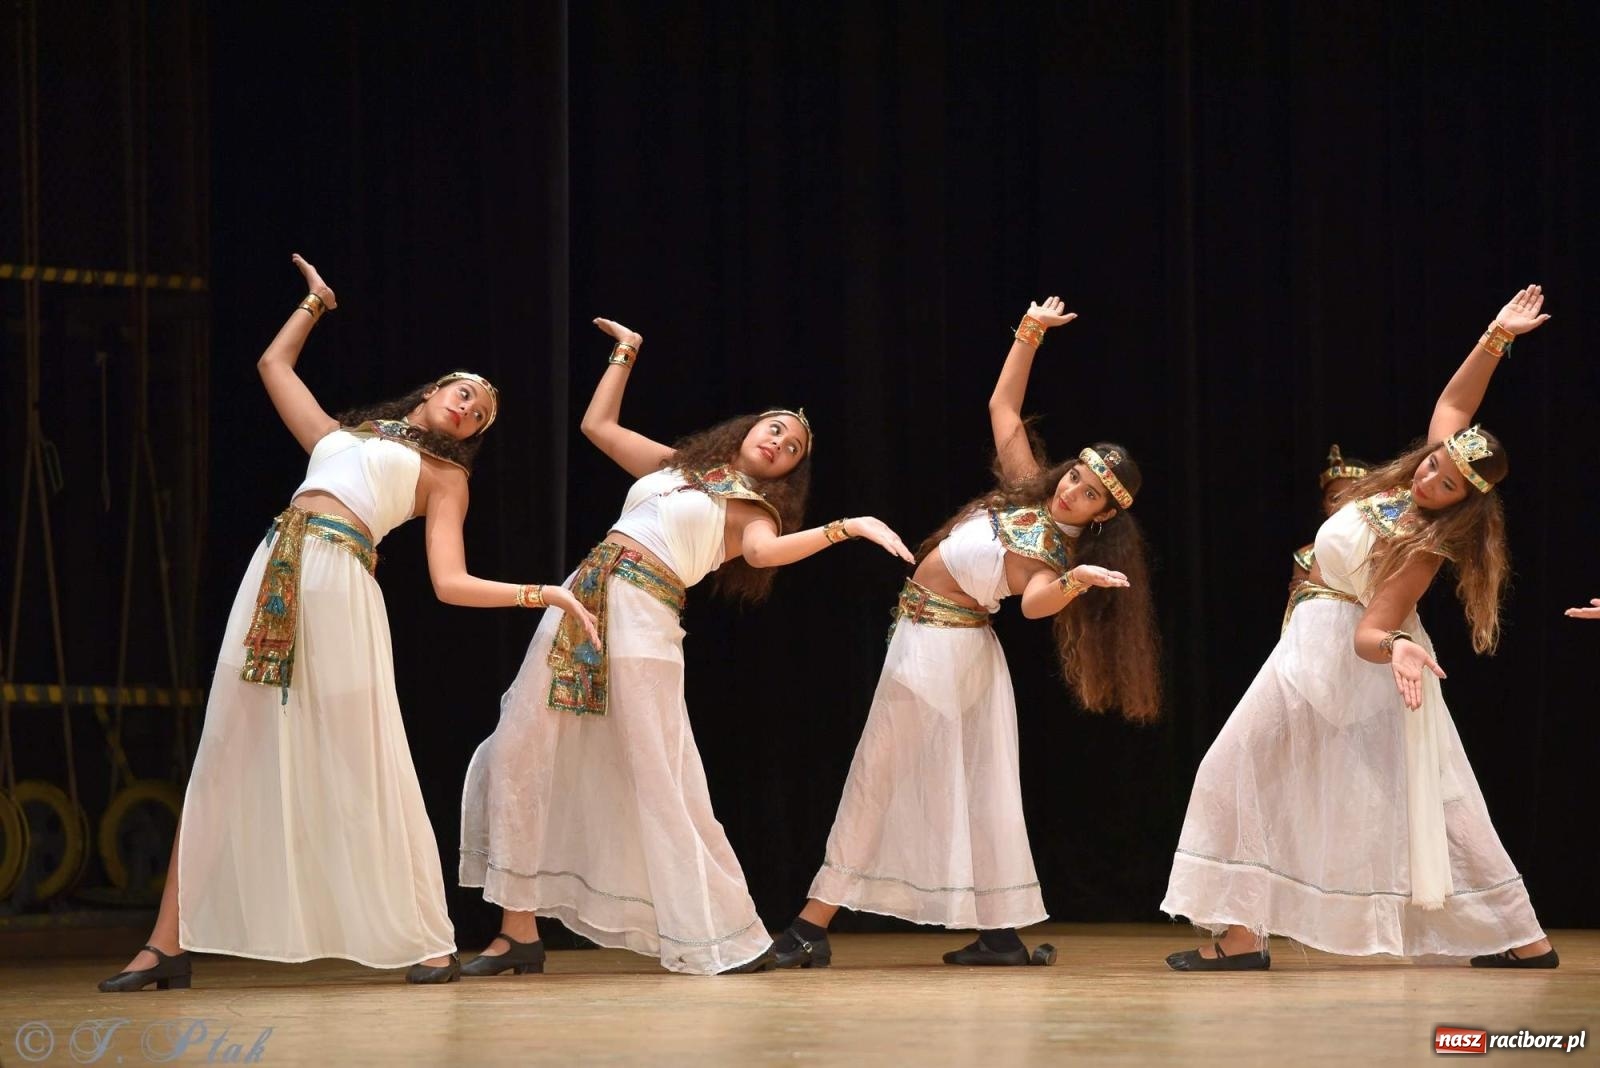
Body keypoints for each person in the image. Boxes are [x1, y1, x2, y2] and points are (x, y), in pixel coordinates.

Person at [98, 253, 598, 991]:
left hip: (341, 583)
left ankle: (429, 939)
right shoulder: (337, 437)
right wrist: (316, 304)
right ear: (432, 393)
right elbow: (273, 365)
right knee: (224, 752)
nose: (468, 409)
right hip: (275, 570)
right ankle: (166, 944)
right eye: (462, 395)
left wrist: (545, 595)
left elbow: (450, 583)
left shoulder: (445, 476)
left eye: (480, 414)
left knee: (367, 758)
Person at [458, 316, 914, 976]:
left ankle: (723, 933)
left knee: (658, 776)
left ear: (788, 471)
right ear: (751, 428)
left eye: (792, 447)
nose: (780, 441)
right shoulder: (680, 467)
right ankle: (517, 932)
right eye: (776, 428)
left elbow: (765, 554)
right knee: (523, 747)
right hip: (580, 602)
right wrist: (626, 353)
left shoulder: (755, 510)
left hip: (644, 616)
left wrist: (845, 528)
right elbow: (598, 428)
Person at [1163, 286, 1557, 971]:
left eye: (1449, 480)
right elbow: (1457, 407)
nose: (1433, 473)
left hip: (1347, 660)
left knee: (1239, 769)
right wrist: (1497, 336)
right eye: (1437, 461)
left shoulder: (1424, 542)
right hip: (1311, 646)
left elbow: (1370, 631)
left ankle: (1242, 938)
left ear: (1465, 504)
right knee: (1427, 790)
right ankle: (1524, 940)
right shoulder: (1404, 482)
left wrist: (1399, 646)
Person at [769, 296, 1161, 970]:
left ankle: (810, 925)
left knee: (882, 774)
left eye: (1090, 494)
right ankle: (1001, 934)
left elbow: (1036, 606)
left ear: (1102, 516)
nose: (1073, 491)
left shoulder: (1058, 551)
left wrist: (1076, 582)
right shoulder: (1030, 493)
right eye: (1076, 475)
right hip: (941, 643)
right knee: (973, 787)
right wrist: (1030, 333)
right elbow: (1003, 410)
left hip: (944, 648)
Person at [1282, 445, 1370, 630]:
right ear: (1323, 503)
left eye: (1354, 497)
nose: (1343, 505)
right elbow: (1299, 612)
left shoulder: (1375, 551)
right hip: (1320, 632)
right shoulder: (1306, 556)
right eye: (1334, 498)